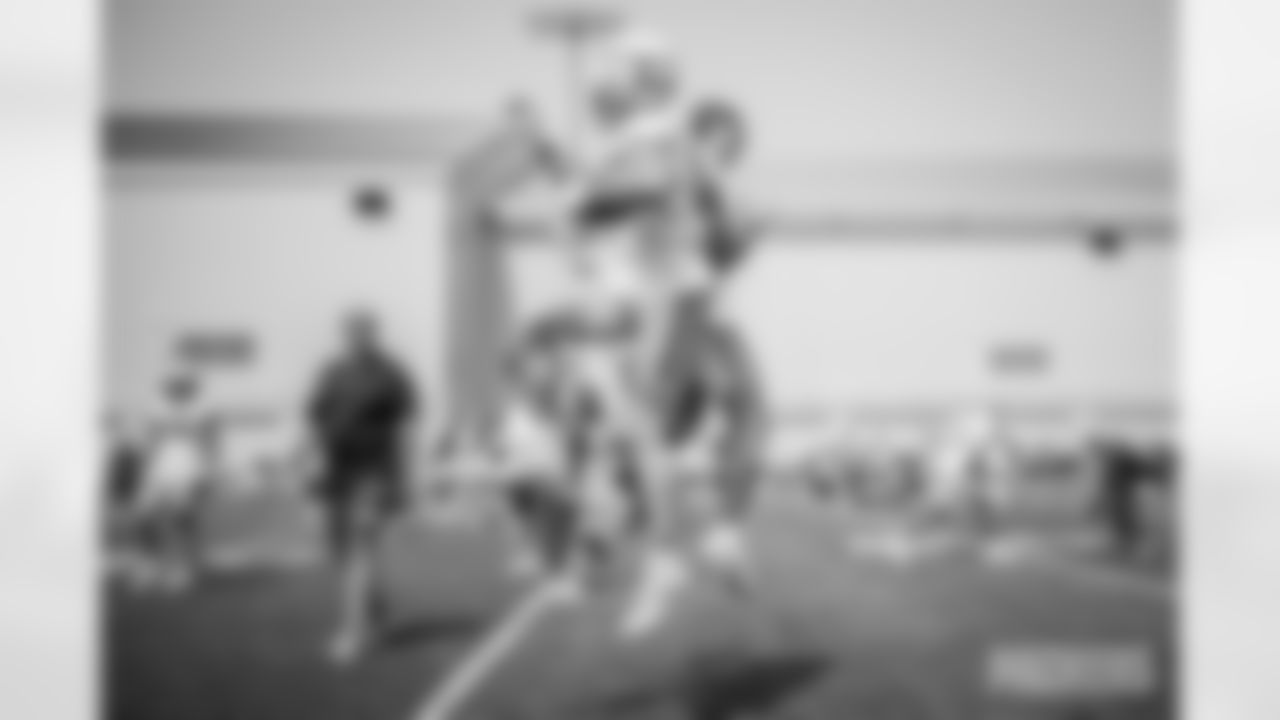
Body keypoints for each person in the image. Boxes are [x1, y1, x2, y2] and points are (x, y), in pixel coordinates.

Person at [306, 310, 419, 665]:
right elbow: (315, 419)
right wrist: (312, 463)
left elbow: (406, 424)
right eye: (352, 331)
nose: (357, 337)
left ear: (374, 334)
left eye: (363, 331)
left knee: (360, 547)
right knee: (342, 552)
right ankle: (378, 613)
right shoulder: (332, 371)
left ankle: (354, 634)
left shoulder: (391, 373)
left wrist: (403, 478)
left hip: (374, 470)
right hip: (337, 470)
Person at [128, 372, 216, 593]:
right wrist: (144, 471)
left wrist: (206, 474)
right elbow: (149, 440)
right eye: (174, 385)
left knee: (181, 519)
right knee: (144, 517)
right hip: (158, 469)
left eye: (183, 385)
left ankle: (183, 570)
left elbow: (210, 443)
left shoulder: (203, 411)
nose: (177, 388)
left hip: (188, 468)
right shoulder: (156, 409)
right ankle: (149, 566)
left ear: (190, 388)